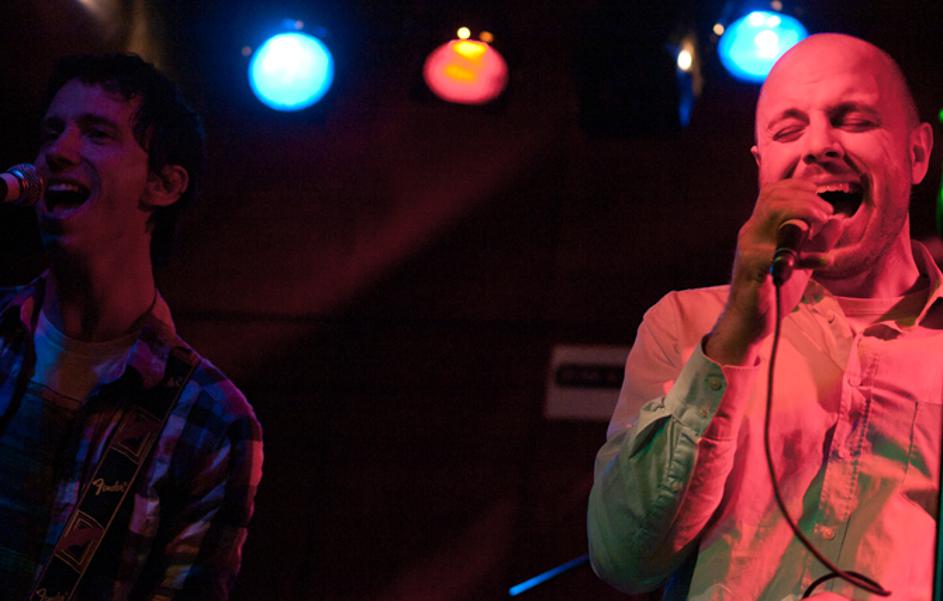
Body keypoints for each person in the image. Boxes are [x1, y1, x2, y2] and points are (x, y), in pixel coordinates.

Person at [587, 33, 938, 600]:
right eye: (788, 131)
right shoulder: (684, 322)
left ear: (917, 154)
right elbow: (624, 557)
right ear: (762, 166)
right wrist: (737, 335)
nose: (819, 145)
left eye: (853, 120)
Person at [0, 54, 263, 599]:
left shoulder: (212, 420)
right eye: (52, 131)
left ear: (164, 184)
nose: (58, 152)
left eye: (97, 133)